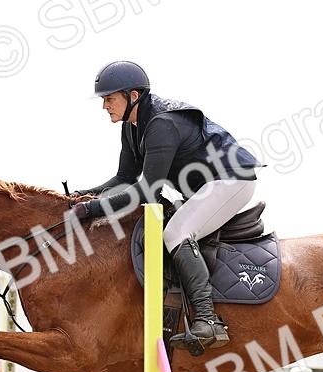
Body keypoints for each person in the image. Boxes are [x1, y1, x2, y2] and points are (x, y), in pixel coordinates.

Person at [71, 60, 260, 352]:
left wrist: (93, 210)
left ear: (133, 96)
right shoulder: (132, 126)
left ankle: (208, 320)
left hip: (232, 180)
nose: (104, 106)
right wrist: (82, 197)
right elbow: (124, 179)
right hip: (205, 186)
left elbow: (148, 191)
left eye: (109, 99)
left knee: (176, 233)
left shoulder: (162, 124)